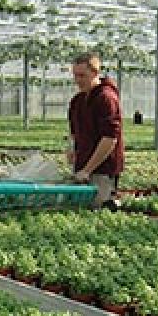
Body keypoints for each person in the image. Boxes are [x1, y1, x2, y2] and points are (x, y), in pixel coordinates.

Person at [66, 51, 125, 207]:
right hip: (82, 167)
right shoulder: (77, 101)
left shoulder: (106, 98)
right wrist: (72, 149)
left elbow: (109, 138)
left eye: (82, 76)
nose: (77, 80)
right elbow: (73, 132)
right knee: (80, 209)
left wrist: (87, 170)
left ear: (95, 73)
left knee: (99, 207)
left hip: (102, 170)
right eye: (75, 75)